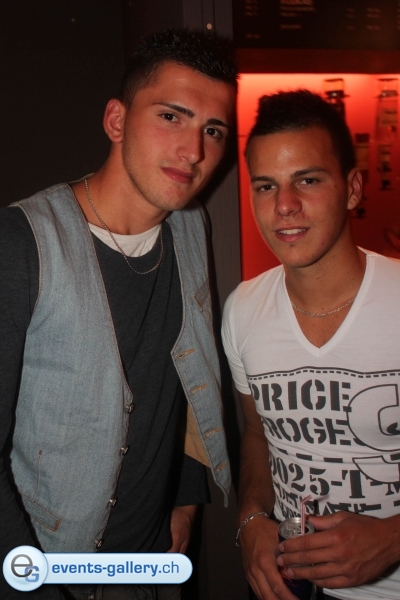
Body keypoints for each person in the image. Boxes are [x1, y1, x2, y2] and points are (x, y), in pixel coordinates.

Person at [0, 29, 237, 600]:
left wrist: (186, 493)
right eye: (171, 117)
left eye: (213, 130)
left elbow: (182, 369)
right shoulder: (21, 243)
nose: (194, 150)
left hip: (149, 564)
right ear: (116, 120)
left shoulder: (190, 225)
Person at [222, 90, 400, 600]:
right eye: (266, 185)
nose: (284, 205)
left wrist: (392, 537)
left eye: (308, 179)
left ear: (352, 188)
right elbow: (258, 434)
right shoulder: (243, 310)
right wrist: (252, 518)